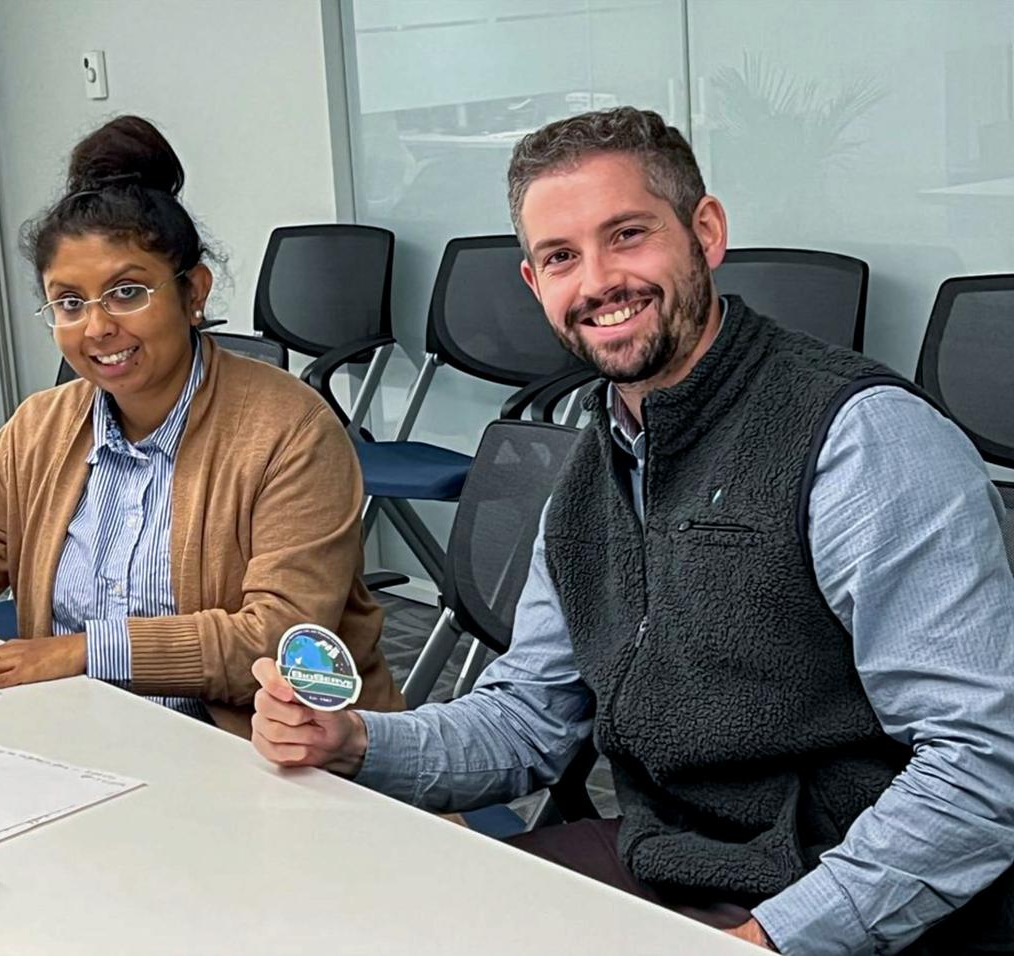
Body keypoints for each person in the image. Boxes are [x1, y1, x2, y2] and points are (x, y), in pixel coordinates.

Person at [249, 107, 1014, 953]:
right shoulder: (594, 468)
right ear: (535, 285)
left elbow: (983, 763)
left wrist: (770, 938)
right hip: (671, 863)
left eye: (628, 235)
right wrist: (353, 740)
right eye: (561, 257)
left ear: (706, 233)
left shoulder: (861, 439)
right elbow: (529, 721)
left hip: (846, 898)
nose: (600, 280)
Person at [0, 115, 402, 735]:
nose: (96, 328)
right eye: (68, 302)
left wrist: (83, 653)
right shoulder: (41, 427)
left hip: (261, 747)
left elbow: (278, 641)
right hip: (80, 733)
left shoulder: (289, 428)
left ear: (194, 292)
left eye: (128, 292)